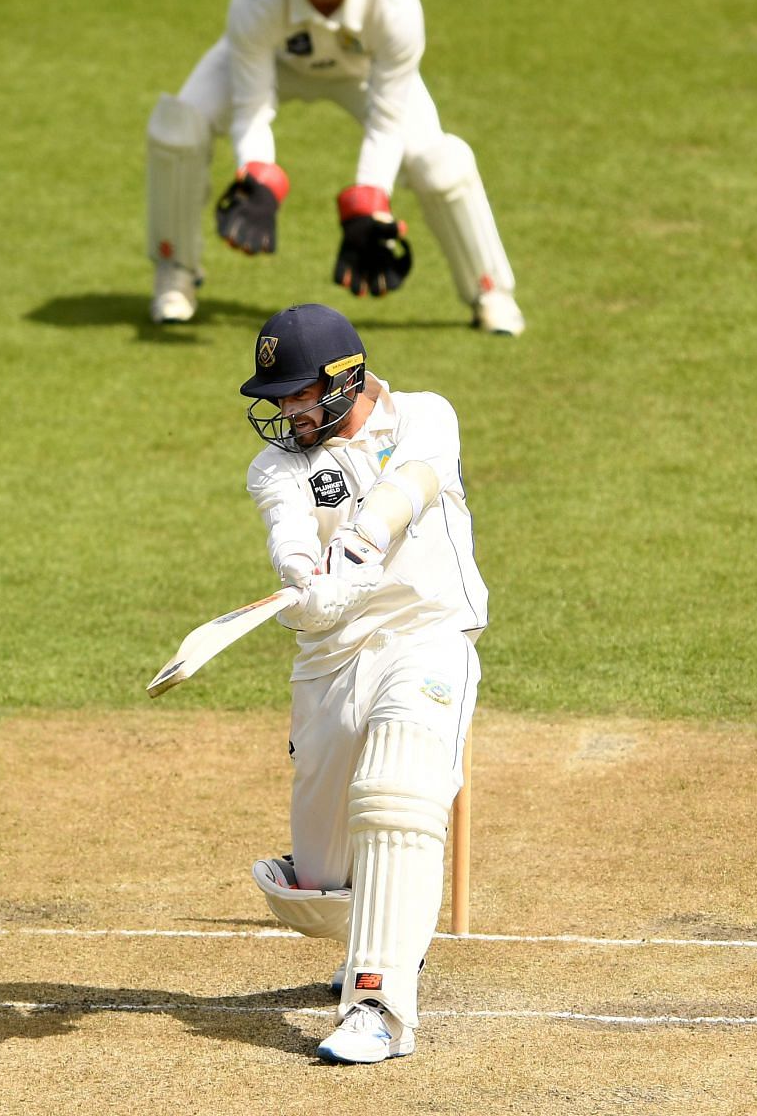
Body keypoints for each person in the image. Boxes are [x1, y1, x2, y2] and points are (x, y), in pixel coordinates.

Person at [236, 302, 486, 1064]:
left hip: (426, 633)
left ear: (345, 381)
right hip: (330, 659)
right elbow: (286, 525)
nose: (285, 411)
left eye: (298, 394)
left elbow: (412, 483)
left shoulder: (425, 416)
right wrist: (303, 575)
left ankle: (378, 1004)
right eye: (275, 398)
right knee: (318, 885)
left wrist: (361, 540)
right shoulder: (275, 465)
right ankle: (364, 905)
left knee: (397, 795)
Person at [146, 0, 525, 335]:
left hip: (359, 73)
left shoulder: (395, 1)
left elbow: (386, 121)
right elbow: (252, 106)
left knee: (437, 161)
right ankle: (175, 273)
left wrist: (369, 201)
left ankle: (491, 292)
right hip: (278, 65)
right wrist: (257, 174)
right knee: (177, 129)